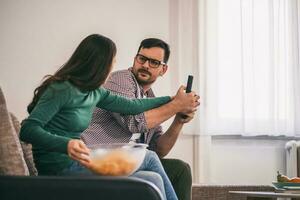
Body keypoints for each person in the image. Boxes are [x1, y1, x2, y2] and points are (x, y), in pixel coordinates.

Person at [20, 34, 198, 200]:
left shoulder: (95, 92)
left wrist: (172, 99)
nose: (113, 68)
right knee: (149, 157)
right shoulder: (61, 89)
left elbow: (132, 105)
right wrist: (66, 144)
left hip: (82, 163)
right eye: (112, 62)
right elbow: (28, 130)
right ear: (99, 64)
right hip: (59, 168)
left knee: (151, 178)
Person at [81, 38, 199, 200]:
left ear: (163, 70)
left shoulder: (150, 97)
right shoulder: (120, 80)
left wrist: (178, 120)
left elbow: (159, 149)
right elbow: (134, 122)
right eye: (142, 59)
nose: (145, 65)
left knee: (180, 169)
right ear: (135, 59)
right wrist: (177, 105)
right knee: (150, 161)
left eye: (154, 63)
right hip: (100, 158)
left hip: (127, 162)